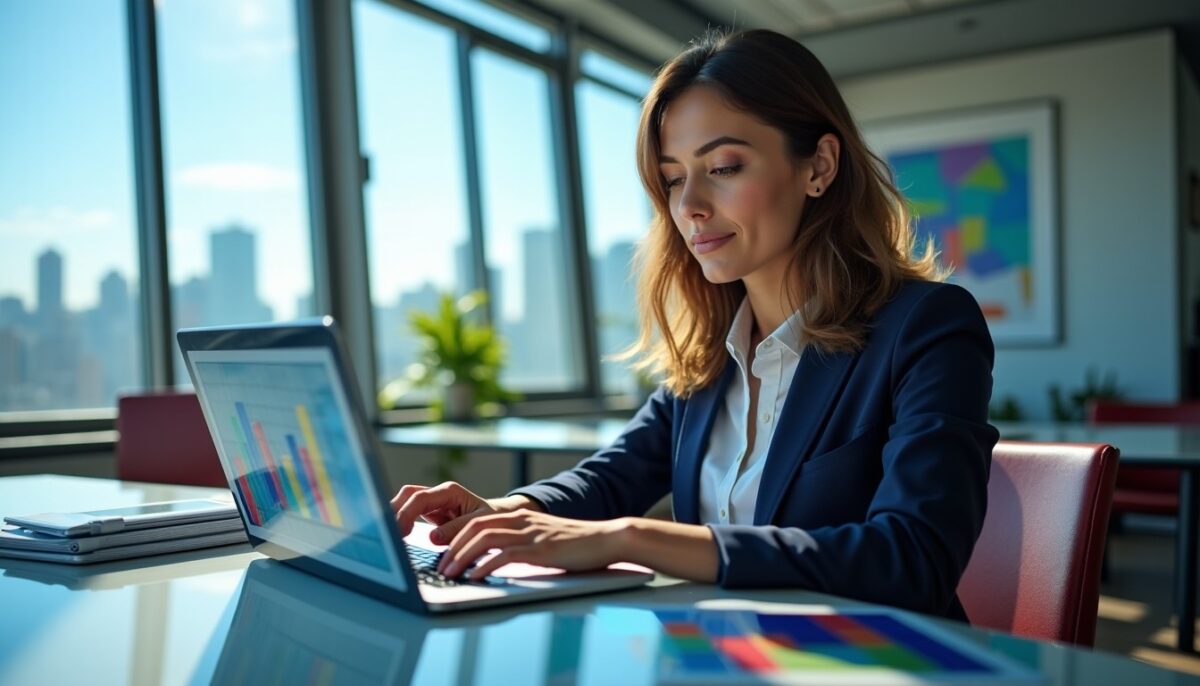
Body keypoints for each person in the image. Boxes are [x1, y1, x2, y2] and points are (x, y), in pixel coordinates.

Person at [391, 28, 997, 621]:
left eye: (725, 166)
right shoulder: (711, 355)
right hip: (729, 656)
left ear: (819, 166)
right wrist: (504, 509)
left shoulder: (926, 327)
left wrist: (633, 539)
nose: (689, 206)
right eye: (674, 178)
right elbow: (610, 478)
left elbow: (915, 559)